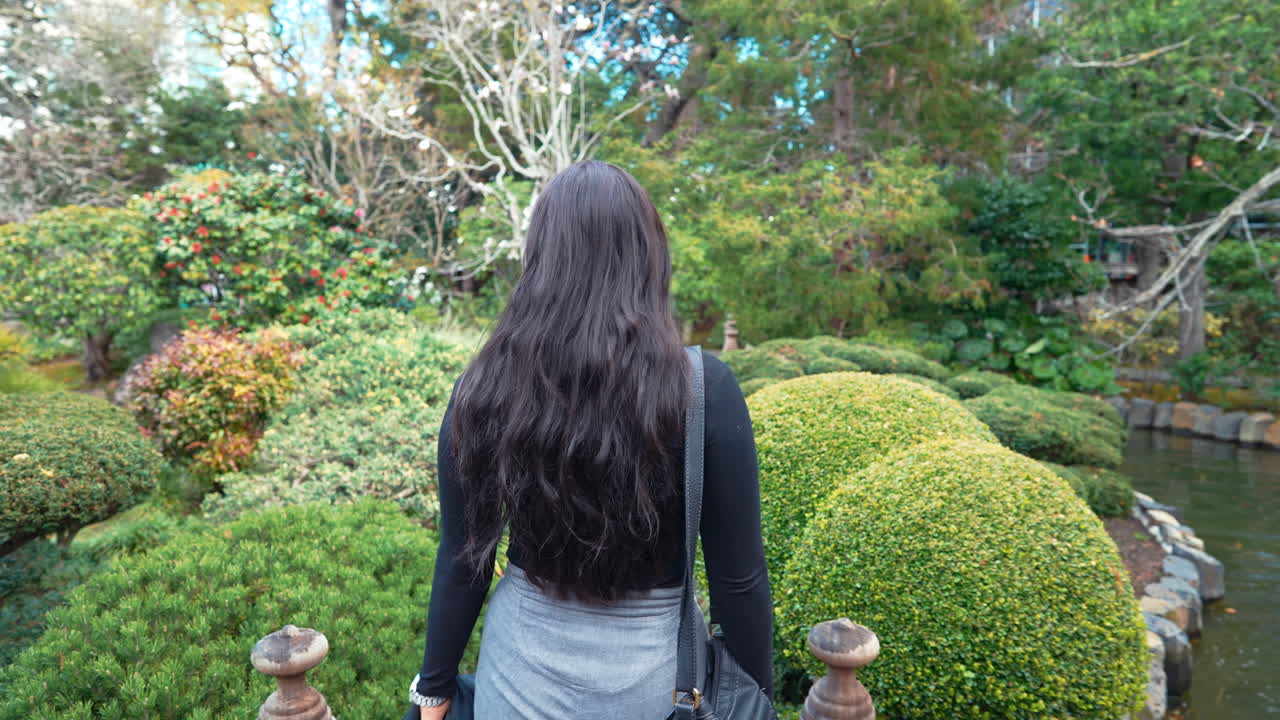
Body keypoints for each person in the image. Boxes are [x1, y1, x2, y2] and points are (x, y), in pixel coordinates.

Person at [409, 161, 772, 720]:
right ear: (648, 253)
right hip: (662, 682)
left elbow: (464, 560)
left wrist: (432, 691)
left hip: (521, 674)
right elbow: (738, 579)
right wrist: (758, 700)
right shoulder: (704, 388)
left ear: (542, 257)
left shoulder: (483, 387)